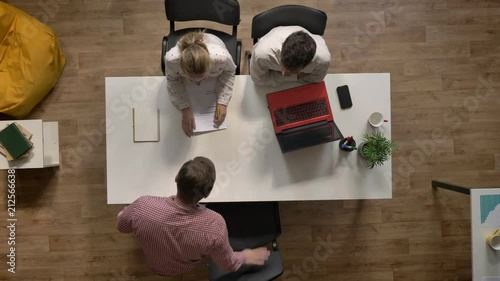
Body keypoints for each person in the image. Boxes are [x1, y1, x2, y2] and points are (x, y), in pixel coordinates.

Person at [117, 156, 270, 277]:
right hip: (181, 268)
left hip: (151, 262)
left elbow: (122, 227)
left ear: (176, 178)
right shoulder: (215, 226)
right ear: (207, 194)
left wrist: (124, 214)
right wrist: (244, 255)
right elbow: (227, 264)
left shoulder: (143, 206)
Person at [165, 31, 236, 136]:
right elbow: (172, 79)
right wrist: (185, 108)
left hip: (214, 43)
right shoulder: (172, 60)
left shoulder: (221, 58)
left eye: (202, 78)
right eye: (191, 78)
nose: (197, 83)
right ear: (182, 70)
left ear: (210, 67)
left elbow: (229, 71)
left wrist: (223, 101)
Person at [250, 26, 331, 87]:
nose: (284, 74)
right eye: (282, 66)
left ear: (308, 63)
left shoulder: (322, 61)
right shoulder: (263, 55)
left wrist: (275, 75)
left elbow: (315, 80)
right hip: (273, 36)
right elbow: (258, 80)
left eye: (292, 72)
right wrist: (295, 77)